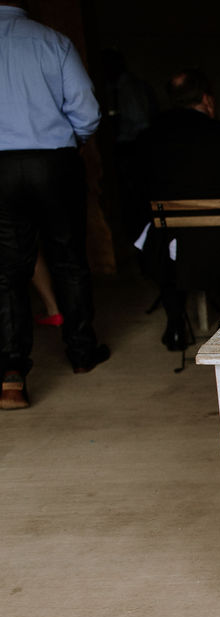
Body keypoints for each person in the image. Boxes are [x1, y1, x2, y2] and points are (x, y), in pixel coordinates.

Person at [0, 1, 109, 410]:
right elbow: (87, 110)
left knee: (8, 271)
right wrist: (70, 143)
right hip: (54, 160)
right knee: (68, 256)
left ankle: (12, 376)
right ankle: (81, 352)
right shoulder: (52, 41)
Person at [135, 68, 220, 351]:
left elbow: (139, 195)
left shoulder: (147, 141)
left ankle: (176, 323)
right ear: (208, 100)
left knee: (156, 231)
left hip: (172, 250)